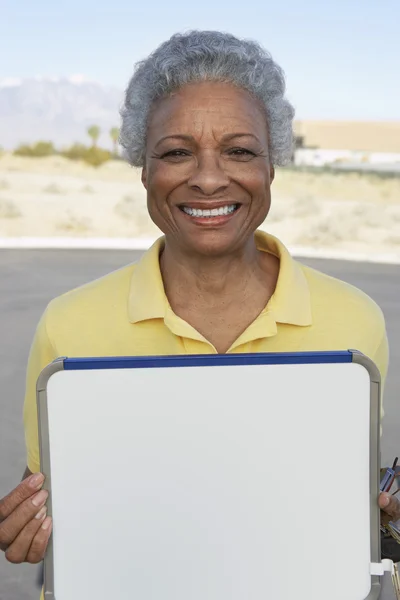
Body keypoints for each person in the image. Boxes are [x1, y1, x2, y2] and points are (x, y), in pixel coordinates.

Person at [0, 29, 397, 597]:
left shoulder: (355, 320)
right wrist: (29, 521)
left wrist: (387, 517)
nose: (209, 178)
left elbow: (348, 498)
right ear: (143, 169)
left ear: (273, 167)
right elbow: (53, 487)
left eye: (239, 150)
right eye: (176, 151)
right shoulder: (70, 323)